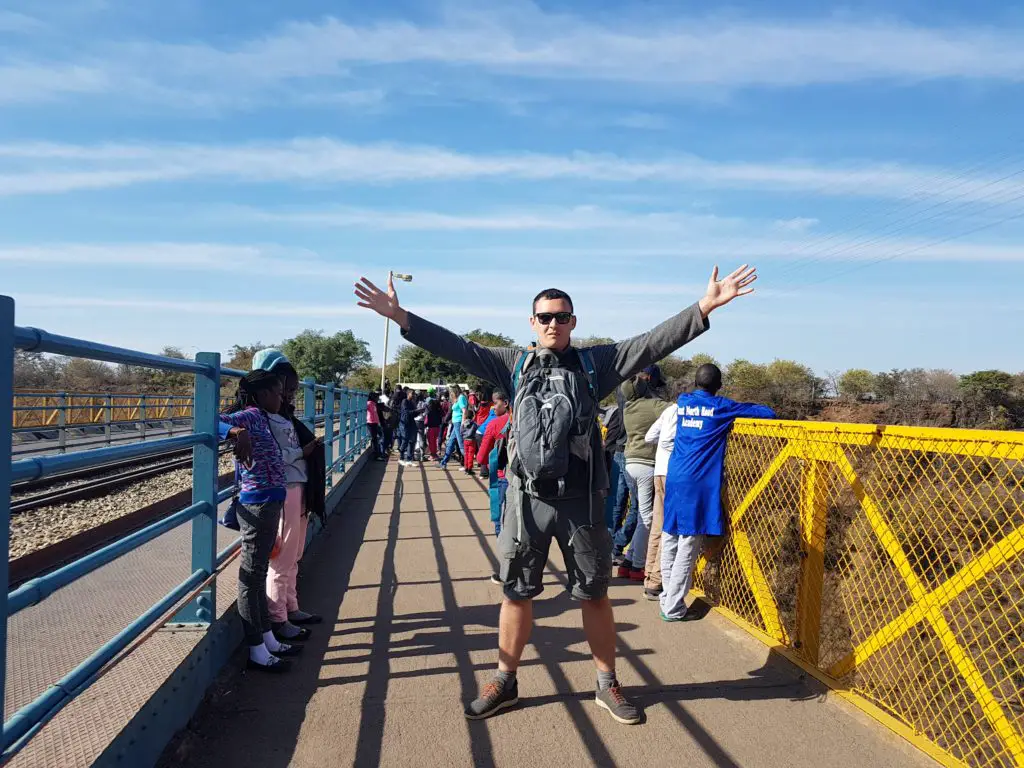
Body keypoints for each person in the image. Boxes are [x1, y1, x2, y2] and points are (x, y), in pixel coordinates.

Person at [355, 263, 757, 724]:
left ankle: (607, 683)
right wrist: (403, 319)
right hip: (526, 501)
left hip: (582, 503)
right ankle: (504, 681)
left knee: (593, 595)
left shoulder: (597, 363)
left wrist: (704, 306)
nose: (552, 324)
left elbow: (653, 341)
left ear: (573, 322)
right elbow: (459, 348)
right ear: (532, 322)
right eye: (544, 317)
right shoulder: (515, 363)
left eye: (561, 317)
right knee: (516, 592)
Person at [660, 364, 775, 622]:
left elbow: (690, 401)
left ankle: (665, 596)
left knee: (670, 535)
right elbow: (766, 413)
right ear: (718, 386)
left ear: (696, 383)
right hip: (698, 481)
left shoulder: (684, 400)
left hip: (675, 475)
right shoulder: (721, 407)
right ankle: (673, 607)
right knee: (688, 543)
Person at [219, 370, 303, 673]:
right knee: (251, 578)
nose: (282, 398)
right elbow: (211, 423)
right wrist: (235, 433)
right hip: (257, 505)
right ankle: (256, 648)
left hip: (269, 502)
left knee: (257, 574)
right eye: (277, 393)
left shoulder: (262, 418)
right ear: (261, 395)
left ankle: (267, 637)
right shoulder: (252, 416)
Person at [616, 366, 668, 582]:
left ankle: (628, 562)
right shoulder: (653, 405)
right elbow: (674, 410)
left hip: (630, 463)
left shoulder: (628, 407)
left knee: (639, 513)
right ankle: (638, 566)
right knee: (647, 518)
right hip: (647, 465)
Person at [642, 381, 687, 601]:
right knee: (669, 528)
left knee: (657, 526)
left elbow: (650, 437)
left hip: (659, 471)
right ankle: (658, 580)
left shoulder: (669, 410)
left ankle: (649, 576)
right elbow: (670, 440)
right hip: (674, 473)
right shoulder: (685, 413)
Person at [477, 391, 511, 584]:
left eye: (495, 404)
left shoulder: (495, 424)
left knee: (501, 522)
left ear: (505, 403)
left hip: (500, 478)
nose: (493, 407)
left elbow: (481, 458)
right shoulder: (521, 419)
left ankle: (506, 568)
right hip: (522, 478)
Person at [601, 401, 627, 533]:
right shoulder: (619, 413)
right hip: (613, 459)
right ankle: (609, 534)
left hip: (607, 460)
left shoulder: (614, 412)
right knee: (614, 498)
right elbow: (611, 443)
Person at [439, 385, 468, 469]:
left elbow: (464, 410)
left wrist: (462, 423)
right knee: (450, 443)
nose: (450, 393)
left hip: (459, 423)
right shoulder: (458, 398)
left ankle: (468, 464)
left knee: (461, 444)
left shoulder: (461, 398)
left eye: (451, 391)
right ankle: (443, 462)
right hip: (456, 423)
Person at [366, 392, 385, 460]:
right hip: (371, 423)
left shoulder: (374, 404)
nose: (378, 398)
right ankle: (376, 455)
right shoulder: (369, 403)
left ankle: (378, 453)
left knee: (378, 437)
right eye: (376, 397)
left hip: (375, 423)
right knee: (375, 439)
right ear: (373, 397)